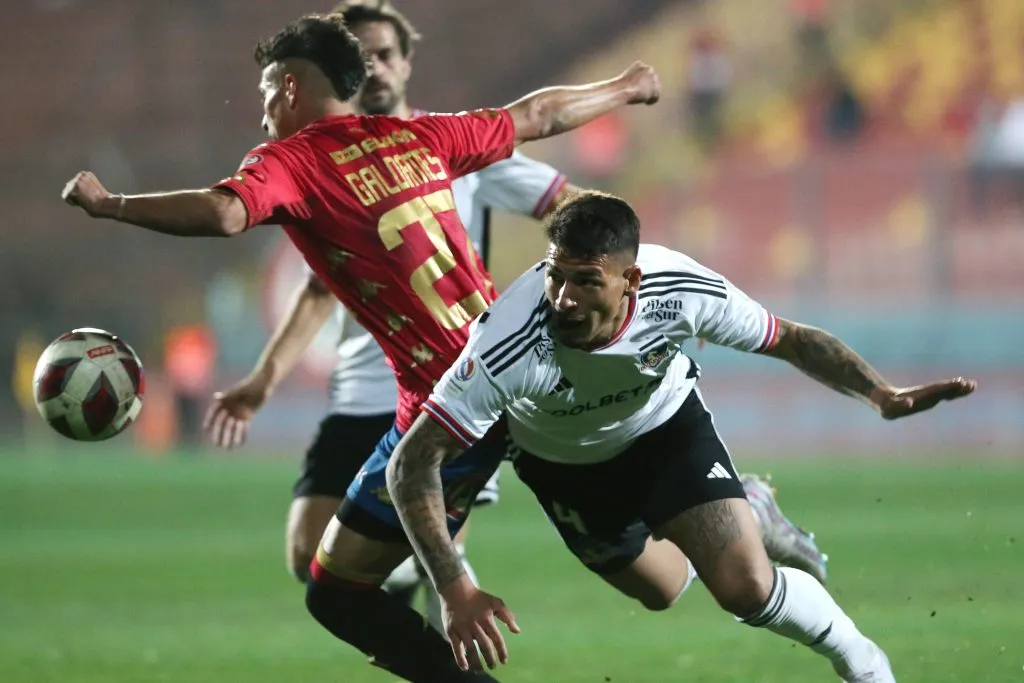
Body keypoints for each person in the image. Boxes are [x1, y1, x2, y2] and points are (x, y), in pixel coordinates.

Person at [61, 12, 661, 682]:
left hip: (450, 404)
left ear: (288, 87)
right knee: (656, 578)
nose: (261, 114)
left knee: (334, 590)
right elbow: (538, 114)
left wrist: (112, 203)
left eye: (265, 95)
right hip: (520, 366)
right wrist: (627, 85)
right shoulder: (418, 136)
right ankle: (718, 502)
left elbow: (226, 212)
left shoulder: (290, 161)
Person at [203, 0, 826, 632]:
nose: (372, 69)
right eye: (359, 56)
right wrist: (264, 377)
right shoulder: (310, 172)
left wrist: (603, 285)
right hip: (365, 388)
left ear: (405, 63)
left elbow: (567, 196)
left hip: (472, 386)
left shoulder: (444, 142)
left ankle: (730, 511)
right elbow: (316, 292)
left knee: (466, 561)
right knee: (312, 557)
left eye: (383, 54)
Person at [382, 191, 977, 680]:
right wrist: (455, 587)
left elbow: (790, 339)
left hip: (666, 432)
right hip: (564, 466)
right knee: (661, 591)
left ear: (630, 280)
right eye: (555, 277)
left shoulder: (680, 290)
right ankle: (753, 507)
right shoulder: (507, 342)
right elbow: (410, 463)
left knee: (744, 587)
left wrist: (880, 396)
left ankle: (866, 665)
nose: (563, 299)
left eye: (586, 281)